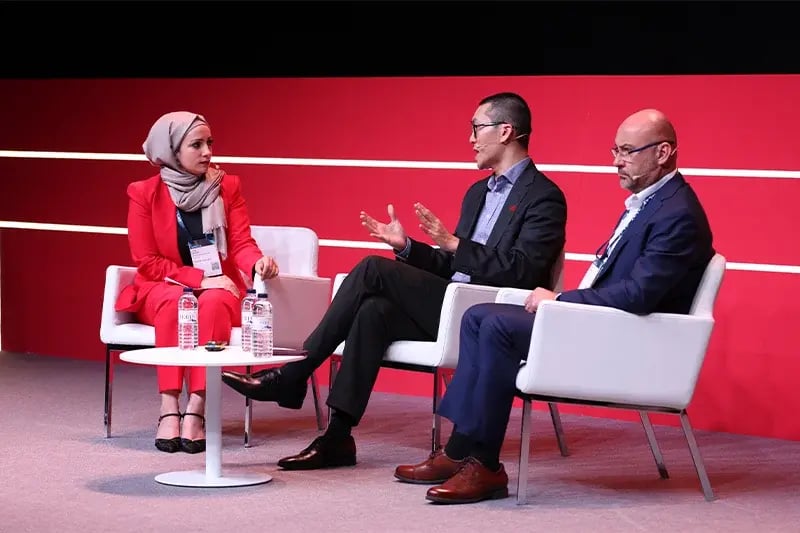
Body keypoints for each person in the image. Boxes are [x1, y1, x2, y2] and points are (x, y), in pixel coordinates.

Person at [221, 92, 568, 470]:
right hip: (453, 301)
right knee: (374, 311)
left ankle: (296, 372)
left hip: (490, 314)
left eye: (475, 128)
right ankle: (337, 437)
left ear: (505, 132)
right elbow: (452, 266)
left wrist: (455, 244)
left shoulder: (544, 197)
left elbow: (524, 272)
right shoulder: (477, 193)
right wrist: (407, 248)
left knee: (372, 268)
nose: (470, 139)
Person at [393, 108, 715, 504]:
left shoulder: (677, 214)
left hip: (628, 340)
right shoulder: (651, 203)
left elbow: (639, 295)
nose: (616, 160)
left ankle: (485, 464)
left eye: (628, 151)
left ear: (663, 152)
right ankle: (461, 449)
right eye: (616, 149)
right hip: (607, 323)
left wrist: (561, 299)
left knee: (497, 327)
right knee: (478, 316)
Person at [115, 111, 280, 454]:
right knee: (177, 302)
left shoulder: (226, 186)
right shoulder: (143, 193)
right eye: (197, 144)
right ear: (171, 151)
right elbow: (147, 261)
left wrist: (257, 264)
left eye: (210, 143)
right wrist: (202, 278)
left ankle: (196, 409)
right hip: (163, 284)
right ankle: (168, 406)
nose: (207, 151)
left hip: (218, 288)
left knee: (215, 301)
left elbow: (241, 245)